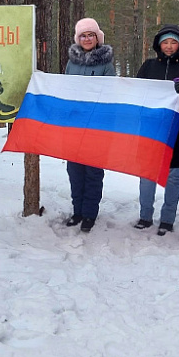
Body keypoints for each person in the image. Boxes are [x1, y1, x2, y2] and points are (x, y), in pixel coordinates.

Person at [134, 24, 179, 236]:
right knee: (147, 175)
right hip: (151, 128)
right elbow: (137, 92)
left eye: (174, 42)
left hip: (178, 130)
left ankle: (168, 219)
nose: (169, 46)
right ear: (158, 44)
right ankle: (145, 216)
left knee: (173, 175)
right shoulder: (148, 66)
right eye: (165, 42)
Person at [63, 17, 116, 233]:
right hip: (75, 126)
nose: (87, 39)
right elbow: (65, 89)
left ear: (97, 38)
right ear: (78, 38)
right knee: (75, 170)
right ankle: (77, 211)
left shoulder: (106, 64)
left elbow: (111, 93)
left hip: (97, 127)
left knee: (93, 172)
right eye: (83, 35)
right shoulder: (71, 63)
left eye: (91, 35)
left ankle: (90, 214)